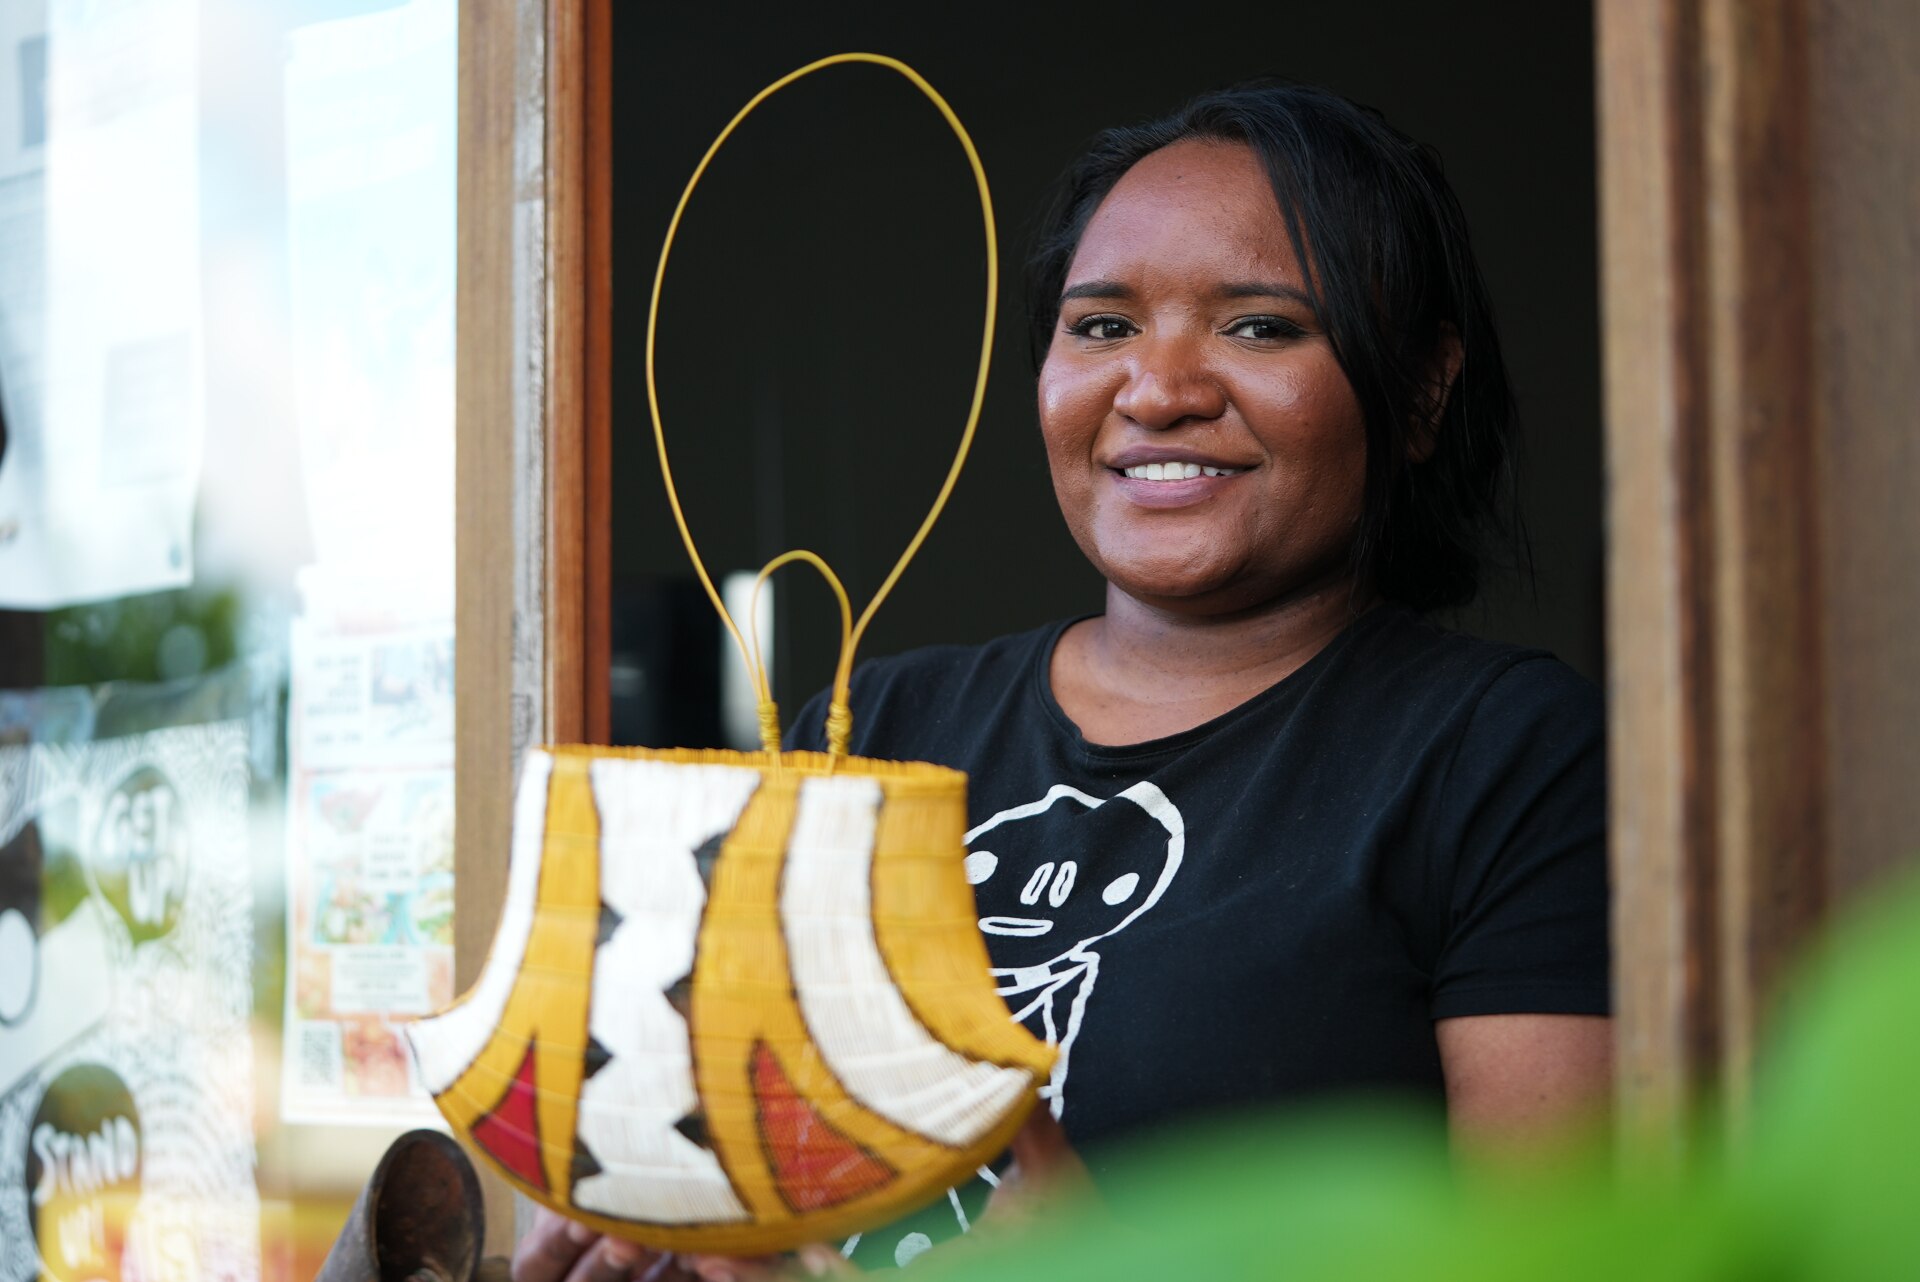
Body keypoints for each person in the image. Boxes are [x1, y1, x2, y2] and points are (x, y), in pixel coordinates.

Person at [516, 78, 1609, 1282]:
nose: (1159, 389)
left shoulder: (1512, 758)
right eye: (1102, 327)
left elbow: (1559, 1259)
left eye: (1259, 326)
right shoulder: (876, 724)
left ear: (1420, 394)